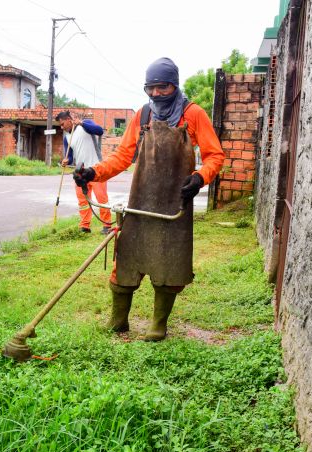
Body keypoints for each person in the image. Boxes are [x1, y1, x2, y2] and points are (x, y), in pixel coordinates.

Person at [73, 57, 224, 341]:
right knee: (126, 259)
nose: (155, 94)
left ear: (174, 85)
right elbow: (121, 157)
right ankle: (119, 321)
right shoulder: (142, 116)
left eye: (162, 88)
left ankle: (158, 325)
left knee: (170, 263)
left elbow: (215, 155)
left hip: (174, 205)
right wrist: (94, 172)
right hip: (140, 204)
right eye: (150, 88)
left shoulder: (193, 115)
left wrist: (200, 177)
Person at [56, 110, 112, 234]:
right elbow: (70, 156)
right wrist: (66, 160)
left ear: (69, 119)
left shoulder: (85, 124)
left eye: (62, 123)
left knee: (102, 199)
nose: (61, 127)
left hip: (96, 169)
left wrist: (81, 123)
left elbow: (99, 131)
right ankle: (85, 226)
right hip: (80, 172)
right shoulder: (67, 138)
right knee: (83, 201)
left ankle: (107, 226)